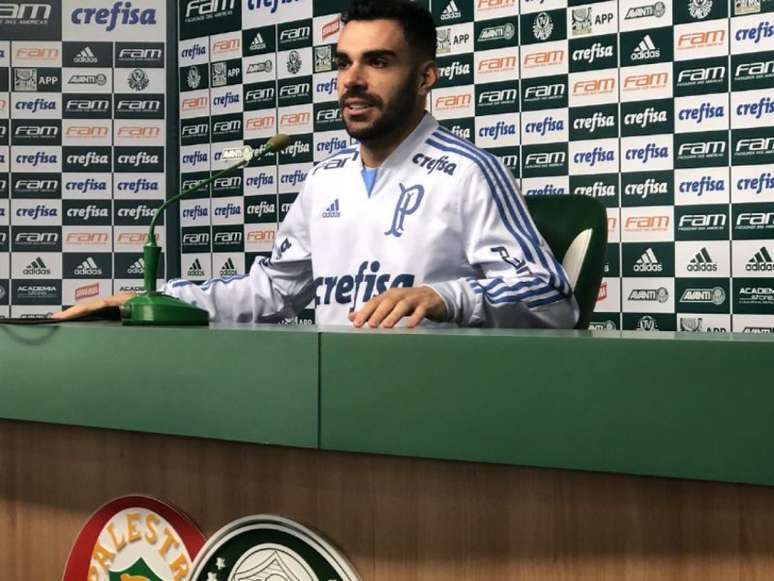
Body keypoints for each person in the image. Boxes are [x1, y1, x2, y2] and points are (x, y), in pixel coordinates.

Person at [55, 0, 578, 329]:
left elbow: (553, 297)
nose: (353, 79)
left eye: (378, 62)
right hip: (330, 398)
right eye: (343, 62)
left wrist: (445, 297)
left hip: (437, 405)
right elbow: (271, 291)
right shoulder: (325, 178)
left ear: (425, 79)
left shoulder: (469, 171)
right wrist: (151, 298)